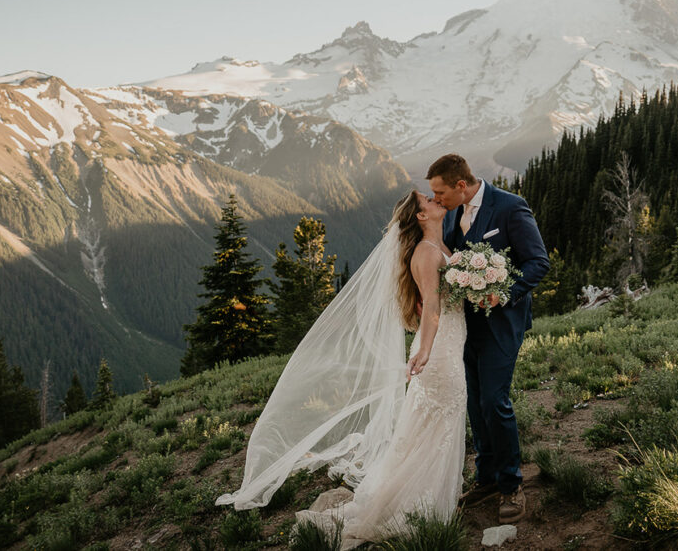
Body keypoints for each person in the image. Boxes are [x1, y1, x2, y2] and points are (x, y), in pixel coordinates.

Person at [216, 190, 467, 548]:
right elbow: (431, 307)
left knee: (428, 428)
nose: (435, 198)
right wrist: (425, 349)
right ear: (421, 216)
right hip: (438, 352)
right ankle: (420, 506)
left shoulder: (434, 248)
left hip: (448, 346)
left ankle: (429, 498)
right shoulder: (426, 254)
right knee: (436, 424)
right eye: (428, 199)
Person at [427, 153, 549, 524]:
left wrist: (505, 290)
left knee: (495, 401)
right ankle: (486, 477)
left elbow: (538, 262)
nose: (436, 200)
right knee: (475, 403)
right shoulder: (452, 212)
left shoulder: (510, 208)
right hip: (465, 326)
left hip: (502, 324)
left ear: (461, 185)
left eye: (440, 192)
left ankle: (511, 484)